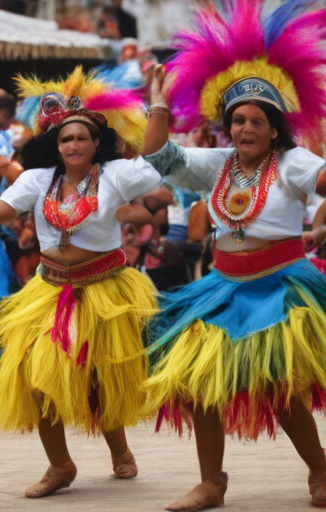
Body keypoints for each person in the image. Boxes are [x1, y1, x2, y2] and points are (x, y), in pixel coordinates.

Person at [141, 1, 326, 510]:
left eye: (256, 121)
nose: (245, 129)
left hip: (279, 285)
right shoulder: (217, 163)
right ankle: (210, 483)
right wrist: (160, 103)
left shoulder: (292, 161)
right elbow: (157, 155)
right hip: (222, 287)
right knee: (201, 383)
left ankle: (320, 468)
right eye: (237, 120)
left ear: (274, 128)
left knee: (281, 388)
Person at [0, 68, 165, 498]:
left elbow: (158, 159)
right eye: (66, 138)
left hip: (106, 289)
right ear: (56, 143)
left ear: (96, 143)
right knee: (36, 375)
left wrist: (157, 103)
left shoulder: (116, 175)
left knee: (100, 381)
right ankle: (59, 465)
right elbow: (3, 208)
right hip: (49, 291)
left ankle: (120, 450)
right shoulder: (38, 179)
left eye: (82, 138)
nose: (73, 145)